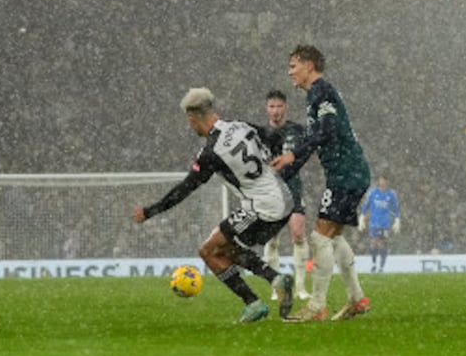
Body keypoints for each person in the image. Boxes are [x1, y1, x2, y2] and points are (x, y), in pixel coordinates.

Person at [132, 88, 296, 324]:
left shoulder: (211, 151)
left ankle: (254, 302)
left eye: (190, 122)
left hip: (263, 208)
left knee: (208, 251)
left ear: (193, 118)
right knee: (224, 247)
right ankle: (275, 279)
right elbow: (273, 136)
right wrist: (275, 160)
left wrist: (150, 211)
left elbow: (185, 188)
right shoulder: (240, 125)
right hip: (283, 198)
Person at [269, 45, 371, 323]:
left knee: (319, 238)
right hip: (348, 171)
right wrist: (291, 167)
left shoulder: (320, 91)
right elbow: (316, 140)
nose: (289, 71)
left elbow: (327, 130)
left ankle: (317, 307)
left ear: (309, 66)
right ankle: (357, 299)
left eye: (293, 65)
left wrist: (292, 155)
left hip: (345, 173)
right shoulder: (318, 93)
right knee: (334, 238)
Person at [261, 90, 312, 301]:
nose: (275, 111)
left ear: (286, 108)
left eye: (279, 106)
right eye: (271, 106)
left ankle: (300, 286)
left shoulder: (297, 130)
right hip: (270, 190)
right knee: (271, 240)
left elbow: (307, 151)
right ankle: (276, 287)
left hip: (293, 186)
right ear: (266, 109)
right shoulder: (260, 134)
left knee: (298, 235)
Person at [360, 176, 400, 273]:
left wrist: (397, 219)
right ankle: (374, 264)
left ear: (388, 182)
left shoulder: (391, 194)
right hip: (374, 222)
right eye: (381, 180)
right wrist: (362, 217)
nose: (383, 182)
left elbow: (395, 208)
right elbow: (367, 205)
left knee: (382, 244)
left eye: (385, 180)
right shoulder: (373, 193)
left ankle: (381, 267)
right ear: (379, 181)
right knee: (374, 242)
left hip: (385, 223)